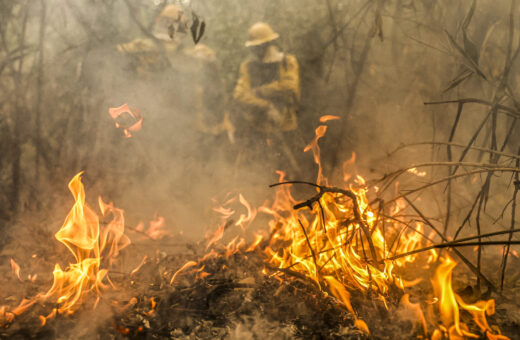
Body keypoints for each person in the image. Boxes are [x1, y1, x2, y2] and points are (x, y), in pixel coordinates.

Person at [233, 22, 302, 176]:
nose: (256, 50)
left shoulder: (287, 61)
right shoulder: (248, 66)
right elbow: (240, 94)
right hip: (258, 128)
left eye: (259, 46)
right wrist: (266, 106)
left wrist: (260, 91)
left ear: (268, 44)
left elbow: (290, 85)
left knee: (292, 171)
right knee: (261, 173)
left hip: (287, 126)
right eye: (254, 47)